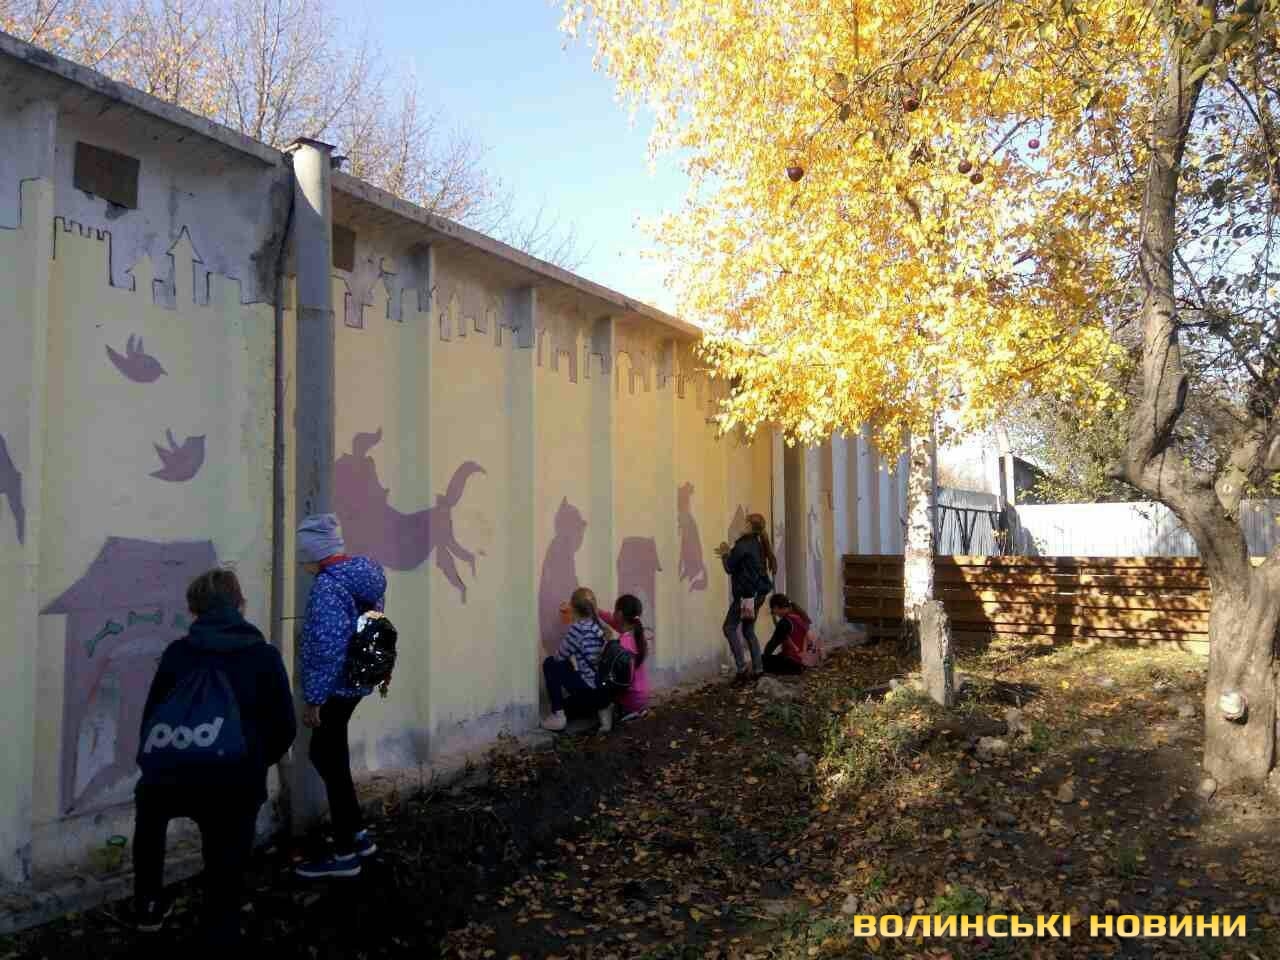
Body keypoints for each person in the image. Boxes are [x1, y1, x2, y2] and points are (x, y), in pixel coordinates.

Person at [132, 568, 295, 943]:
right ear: (240, 605)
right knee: (226, 869)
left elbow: (151, 719)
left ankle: (148, 902)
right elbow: (285, 729)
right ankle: (219, 926)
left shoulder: (177, 653)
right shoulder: (263, 656)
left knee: (151, 806)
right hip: (235, 782)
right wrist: (254, 762)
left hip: (171, 776)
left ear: (195, 609)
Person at [293, 513, 388, 879]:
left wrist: (314, 699)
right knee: (333, 755)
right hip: (357, 680)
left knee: (325, 756)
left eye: (302, 556)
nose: (300, 563)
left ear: (314, 554)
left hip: (335, 686)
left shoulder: (327, 588)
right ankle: (357, 835)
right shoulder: (366, 577)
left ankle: (345, 853)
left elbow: (324, 646)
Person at [715, 512, 777, 684]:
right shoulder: (758, 543)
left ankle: (742, 669)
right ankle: (758, 669)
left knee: (729, 628)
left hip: (747, 596)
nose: (742, 524)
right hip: (758, 594)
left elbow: (729, 567)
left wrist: (725, 553)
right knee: (748, 630)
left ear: (749, 526)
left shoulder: (743, 544)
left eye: (745, 522)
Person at [542, 587, 613, 733]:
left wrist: (571, 624)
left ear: (573, 609)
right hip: (604, 693)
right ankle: (604, 711)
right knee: (572, 702)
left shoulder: (578, 629)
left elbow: (559, 656)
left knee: (550, 663)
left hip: (588, 694)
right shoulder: (599, 626)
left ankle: (558, 716)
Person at [600, 594, 650, 721]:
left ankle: (625, 711)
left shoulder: (623, 643)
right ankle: (636, 710)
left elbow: (621, 679)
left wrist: (609, 642)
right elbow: (612, 621)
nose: (612, 613)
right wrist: (596, 610)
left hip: (631, 699)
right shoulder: (638, 635)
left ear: (619, 614)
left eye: (614, 610)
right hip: (642, 697)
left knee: (604, 679)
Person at [762, 593, 811, 676]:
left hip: (791, 664)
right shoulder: (799, 617)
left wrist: (764, 658)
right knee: (778, 656)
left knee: (760, 660)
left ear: (776, 607)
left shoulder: (785, 623)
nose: (774, 613)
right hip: (802, 662)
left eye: (773, 609)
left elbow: (772, 644)